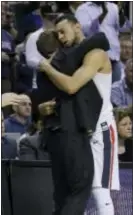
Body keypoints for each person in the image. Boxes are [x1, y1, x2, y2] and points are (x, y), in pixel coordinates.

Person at [39, 14, 120, 215]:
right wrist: (44, 107)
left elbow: (72, 86)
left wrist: (47, 68)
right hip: (79, 130)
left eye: (63, 31)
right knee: (75, 191)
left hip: (100, 128)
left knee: (99, 191)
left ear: (77, 26)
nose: (61, 37)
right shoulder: (70, 57)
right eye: (57, 33)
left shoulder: (96, 54)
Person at [75, 1, 126, 83]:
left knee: (116, 89)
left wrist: (120, 13)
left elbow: (122, 28)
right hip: (94, 61)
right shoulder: (82, 9)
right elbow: (87, 31)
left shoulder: (113, 7)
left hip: (114, 57)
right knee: (101, 91)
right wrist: (103, 15)